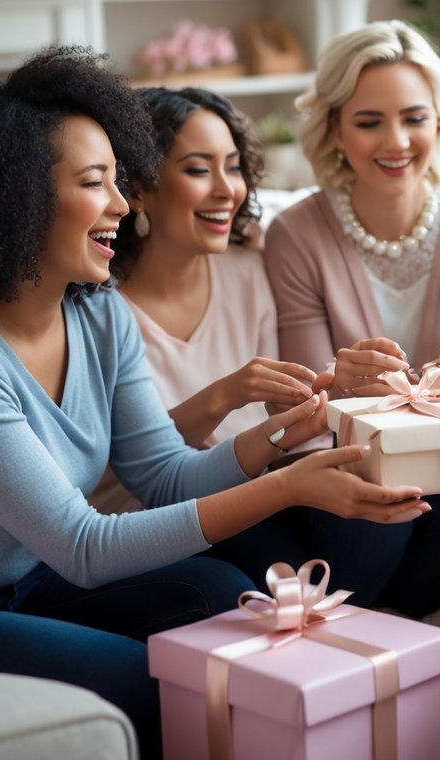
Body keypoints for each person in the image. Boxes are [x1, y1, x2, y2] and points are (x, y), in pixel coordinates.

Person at [0, 47, 427, 758]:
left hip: (44, 580)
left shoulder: (99, 313)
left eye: (118, 182)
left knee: (226, 595)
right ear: (19, 197)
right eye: (96, 184)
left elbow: (160, 474)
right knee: (146, 683)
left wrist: (286, 434)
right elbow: (85, 545)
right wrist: (287, 486)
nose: (123, 206)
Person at [264, 20, 440, 618]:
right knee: (377, 493)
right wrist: (337, 383)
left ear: (439, 122)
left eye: (414, 118)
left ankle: (429, 640)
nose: (396, 141)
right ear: (334, 129)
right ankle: (357, 638)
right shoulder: (296, 236)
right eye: (369, 121)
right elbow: (296, 413)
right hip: (346, 472)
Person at [103, 87, 317, 584]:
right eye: (199, 170)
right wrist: (225, 394)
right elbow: (131, 470)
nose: (227, 190)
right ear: (137, 188)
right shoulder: (96, 308)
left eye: (234, 167)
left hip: (261, 496)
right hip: (152, 524)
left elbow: (280, 422)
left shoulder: (250, 272)